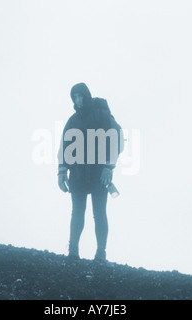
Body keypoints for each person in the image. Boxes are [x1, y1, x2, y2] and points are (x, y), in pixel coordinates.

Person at [57, 83, 123, 262]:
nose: (78, 100)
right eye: (74, 97)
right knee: (77, 212)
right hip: (78, 174)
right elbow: (65, 145)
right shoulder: (72, 120)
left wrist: (108, 168)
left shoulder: (101, 115)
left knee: (99, 212)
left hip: (99, 175)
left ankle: (101, 252)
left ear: (86, 95)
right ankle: (73, 251)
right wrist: (61, 172)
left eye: (80, 96)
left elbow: (116, 139)